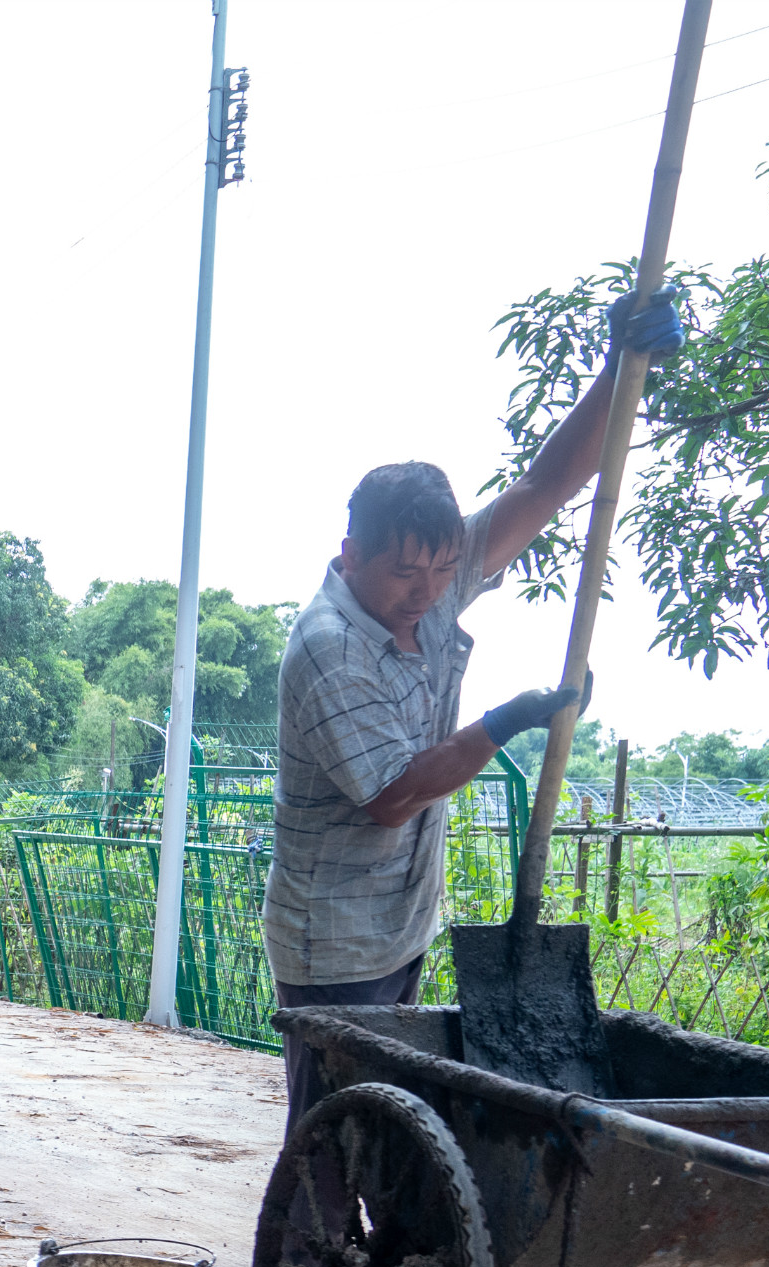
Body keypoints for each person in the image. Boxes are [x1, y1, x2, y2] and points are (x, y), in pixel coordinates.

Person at [267, 288, 689, 1127]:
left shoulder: (428, 573)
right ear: (351, 554)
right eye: (403, 576)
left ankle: (390, 1253)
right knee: (336, 1132)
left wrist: (619, 373)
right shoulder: (329, 647)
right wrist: (505, 723)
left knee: (392, 1127)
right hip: (337, 939)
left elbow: (545, 484)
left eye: (439, 573)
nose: (425, 595)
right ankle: (308, 1259)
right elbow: (392, 798)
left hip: (403, 920)